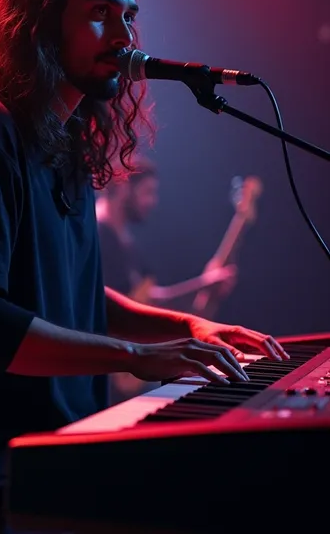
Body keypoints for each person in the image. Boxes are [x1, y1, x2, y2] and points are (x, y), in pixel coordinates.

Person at [0, 0, 289, 534]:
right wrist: (138, 357)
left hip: (43, 470)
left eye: (128, 17)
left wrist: (185, 327)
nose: (123, 38)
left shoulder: (56, 142)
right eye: (98, 14)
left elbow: (69, 299)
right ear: (37, 23)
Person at [96, 155, 237, 403]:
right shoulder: (99, 233)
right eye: (148, 192)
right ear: (123, 187)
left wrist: (205, 288)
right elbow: (136, 304)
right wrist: (204, 283)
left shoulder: (125, 240)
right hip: (109, 370)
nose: (153, 202)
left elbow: (148, 299)